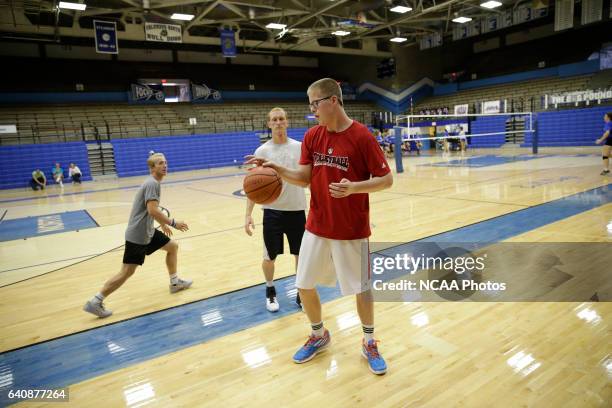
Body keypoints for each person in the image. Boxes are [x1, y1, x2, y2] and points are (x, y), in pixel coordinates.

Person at [246, 78, 393, 375]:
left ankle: (368, 341)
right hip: (316, 224)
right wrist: (278, 170)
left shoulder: (362, 136)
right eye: (310, 104)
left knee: (361, 289)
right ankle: (318, 334)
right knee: (304, 283)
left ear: (333, 101)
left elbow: (386, 180)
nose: (312, 109)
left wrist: (355, 187)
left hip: (352, 228)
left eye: (315, 103)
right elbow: (304, 178)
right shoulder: (313, 136)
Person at [83, 152, 192, 318]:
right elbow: (152, 210)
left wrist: (161, 223)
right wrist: (173, 223)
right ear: (152, 167)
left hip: (147, 231)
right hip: (139, 235)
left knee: (172, 247)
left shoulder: (152, 183)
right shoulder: (153, 184)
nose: (164, 166)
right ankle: (96, 301)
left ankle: (175, 282)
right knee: (126, 271)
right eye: (160, 163)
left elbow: (150, 210)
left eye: (165, 162)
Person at [245, 107, 307, 312]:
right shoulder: (262, 151)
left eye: (282, 119)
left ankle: (301, 292)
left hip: (297, 209)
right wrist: (248, 215)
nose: (278, 122)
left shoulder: (300, 147)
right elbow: (254, 187)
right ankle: (270, 290)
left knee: (301, 255)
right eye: (274, 120)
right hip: (272, 211)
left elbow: (308, 177)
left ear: (287, 122)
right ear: (269, 124)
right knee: (269, 257)